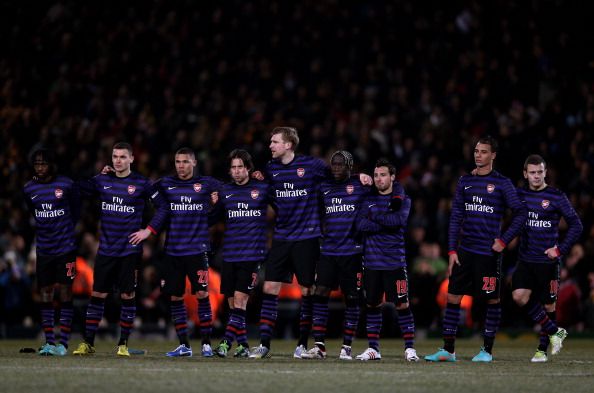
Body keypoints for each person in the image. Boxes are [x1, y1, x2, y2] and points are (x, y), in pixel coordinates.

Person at [425, 135, 527, 363]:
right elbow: (456, 217)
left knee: (491, 300)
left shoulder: (502, 183)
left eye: (483, 151)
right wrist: (452, 250)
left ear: (493, 155)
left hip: (488, 253)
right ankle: (448, 350)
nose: (478, 154)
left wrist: (504, 240)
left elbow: (520, 213)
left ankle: (487, 351)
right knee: (452, 296)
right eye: (476, 151)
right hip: (465, 250)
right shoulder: (464, 182)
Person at [73, 142, 168, 356]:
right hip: (106, 250)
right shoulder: (102, 180)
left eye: (123, 157)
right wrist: (96, 175)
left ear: (132, 159)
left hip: (129, 251)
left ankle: (122, 344)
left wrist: (148, 231)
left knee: (127, 295)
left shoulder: (142, 183)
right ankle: (88, 343)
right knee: (97, 294)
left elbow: (163, 207)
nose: (118, 160)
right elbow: (80, 189)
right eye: (115, 156)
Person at [248, 127, 331, 359]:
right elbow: (264, 191)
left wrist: (359, 177)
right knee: (269, 288)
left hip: (307, 238)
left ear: (288, 145)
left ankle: (302, 344)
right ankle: (264, 344)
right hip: (282, 238)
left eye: (275, 142)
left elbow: (337, 176)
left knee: (307, 290)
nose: (270, 146)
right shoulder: (270, 169)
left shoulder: (312, 166)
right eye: (271, 142)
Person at [300, 151, 370, 360]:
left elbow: (384, 188)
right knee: (320, 293)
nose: (336, 168)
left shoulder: (361, 185)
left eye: (341, 165)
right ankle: (319, 345)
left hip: (353, 252)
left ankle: (346, 347)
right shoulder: (324, 187)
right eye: (334, 165)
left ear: (350, 166)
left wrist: (364, 176)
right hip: (329, 250)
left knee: (352, 298)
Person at [512, 154, 582, 362]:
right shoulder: (519, 195)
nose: (536, 176)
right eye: (532, 173)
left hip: (548, 262)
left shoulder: (556, 196)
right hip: (525, 259)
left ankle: (541, 351)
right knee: (518, 296)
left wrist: (559, 250)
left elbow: (577, 225)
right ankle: (555, 331)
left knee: (549, 307)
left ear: (545, 172)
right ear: (525, 174)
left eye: (540, 172)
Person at [155, 147, 220, 358]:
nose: (180, 166)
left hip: (197, 249)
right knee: (176, 297)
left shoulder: (207, 184)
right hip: (173, 251)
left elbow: (233, 190)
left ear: (193, 163)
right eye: (177, 161)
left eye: (184, 161)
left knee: (202, 294)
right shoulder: (165, 184)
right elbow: (144, 189)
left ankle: (206, 344)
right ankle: (184, 345)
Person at [354, 158, 419, 361]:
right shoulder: (367, 200)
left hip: (394, 263)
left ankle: (409, 348)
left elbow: (398, 221)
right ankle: (374, 348)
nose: (379, 179)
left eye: (383, 175)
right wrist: (383, 222)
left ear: (392, 177)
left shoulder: (403, 200)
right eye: (376, 175)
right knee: (373, 304)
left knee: (402, 304)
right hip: (372, 263)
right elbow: (360, 225)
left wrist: (374, 217)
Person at [212, 149, 271, 358]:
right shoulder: (225, 192)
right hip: (229, 255)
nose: (236, 171)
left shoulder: (262, 188)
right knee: (233, 305)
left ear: (248, 168)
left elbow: (281, 203)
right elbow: (211, 219)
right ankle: (244, 345)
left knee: (240, 300)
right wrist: (212, 202)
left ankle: (225, 343)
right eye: (233, 167)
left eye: (240, 167)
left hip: (251, 255)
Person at [23, 148, 79, 356]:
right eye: (37, 164)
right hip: (44, 249)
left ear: (52, 165)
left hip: (65, 248)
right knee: (45, 293)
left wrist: (66, 231)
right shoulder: (29, 189)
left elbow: (76, 211)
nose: (39, 167)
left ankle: (63, 344)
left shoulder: (66, 184)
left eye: (43, 164)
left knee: (65, 292)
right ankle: (49, 342)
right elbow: (33, 212)